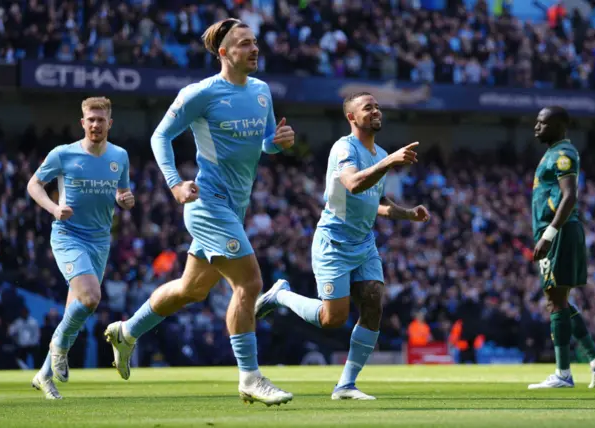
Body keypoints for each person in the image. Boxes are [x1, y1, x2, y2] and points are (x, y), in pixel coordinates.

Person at [103, 18, 295, 406]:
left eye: (255, 42)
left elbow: (264, 145)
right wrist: (174, 182)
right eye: (244, 44)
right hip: (207, 204)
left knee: (191, 290)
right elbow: (161, 136)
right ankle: (250, 377)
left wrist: (276, 143)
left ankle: (127, 332)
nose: (254, 48)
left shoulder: (261, 91)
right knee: (250, 284)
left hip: (235, 207)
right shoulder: (201, 93)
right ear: (224, 53)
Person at [255, 92, 430, 400]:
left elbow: (377, 201)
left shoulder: (381, 153)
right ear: (352, 117)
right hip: (333, 242)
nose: (376, 111)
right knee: (331, 318)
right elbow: (352, 184)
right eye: (368, 108)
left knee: (374, 301)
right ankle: (280, 296)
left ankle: (346, 385)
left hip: (364, 243)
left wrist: (407, 214)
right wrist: (391, 161)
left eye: (377, 107)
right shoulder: (343, 148)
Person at [27, 97, 134, 399]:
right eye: (91, 119)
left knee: (76, 310)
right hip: (68, 235)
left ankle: (44, 375)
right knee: (90, 298)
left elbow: (123, 192)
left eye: (101, 119)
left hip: (100, 241)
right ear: (82, 123)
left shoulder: (120, 156)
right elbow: (33, 184)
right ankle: (59, 348)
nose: (96, 124)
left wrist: (125, 199)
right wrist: (52, 207)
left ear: (109, 123)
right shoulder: (63, 154)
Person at [528, 106, 595, 389]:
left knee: (555, 301)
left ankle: (563, 374)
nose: (536, 127)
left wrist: (549, 234)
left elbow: (570, 196)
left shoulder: (563, 155)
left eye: (543, 123)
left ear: (560, 125)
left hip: (559, 232)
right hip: (558, 231)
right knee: (561, 301)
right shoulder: (553, 152)